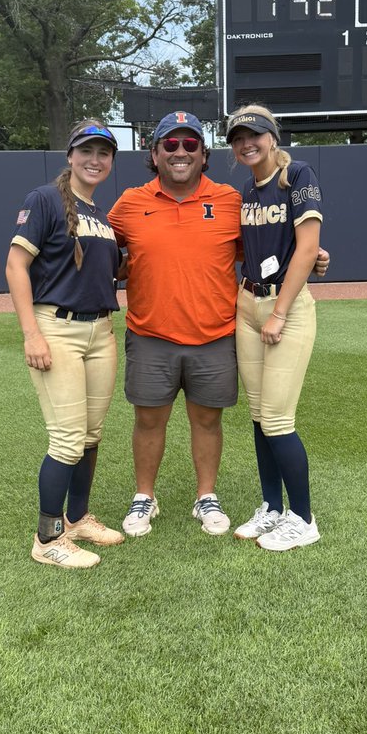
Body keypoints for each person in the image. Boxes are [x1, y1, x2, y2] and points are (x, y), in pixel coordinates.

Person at [108, 112, 242, 537]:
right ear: (154, 153)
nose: (180, 152)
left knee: (207, 420)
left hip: (214, 335)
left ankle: (206, 496)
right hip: (150, 336)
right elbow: (100, 253)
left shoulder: (229, 200)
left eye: (189, 145)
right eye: (170, 145)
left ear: (204, 154)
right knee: (149, 420)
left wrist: (312, 254)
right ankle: (144, 497)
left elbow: (265, 245)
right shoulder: (130, 202)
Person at [5, 120, 124, 569]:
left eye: (104, 152)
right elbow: (16, 267)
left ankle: (76, 518)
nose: (95, 159)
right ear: (70, 155)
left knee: (90, 436)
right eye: (86, 151)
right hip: (55, 328)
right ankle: (48, 537)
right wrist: (31, 333)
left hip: (100, 332)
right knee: (68, 439)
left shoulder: (100, 214)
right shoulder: (46, 199)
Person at [226, 104, 324, 551]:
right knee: (260, 416)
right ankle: (271, 506)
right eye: (238, 137)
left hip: (284, 306)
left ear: (272, 136)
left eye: (255, 134)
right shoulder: (246, 191)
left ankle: (303, 519)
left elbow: (308, 248)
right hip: (247, 303)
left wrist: (281, 311)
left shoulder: (297, 175)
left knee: (279, 419)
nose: (247, 143)